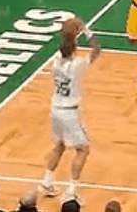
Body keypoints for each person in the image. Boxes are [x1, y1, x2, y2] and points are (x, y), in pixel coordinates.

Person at [40, 17, 101, 200]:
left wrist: (68, 35)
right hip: (69, 111)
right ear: (74, 49)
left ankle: (47, 182)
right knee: (83, 149)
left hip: (55, 107)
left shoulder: (56, 62)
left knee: (59, 144)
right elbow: (97, 50)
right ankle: (71, 192)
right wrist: (86, 31)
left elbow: (65, 46)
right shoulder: (77, 65)